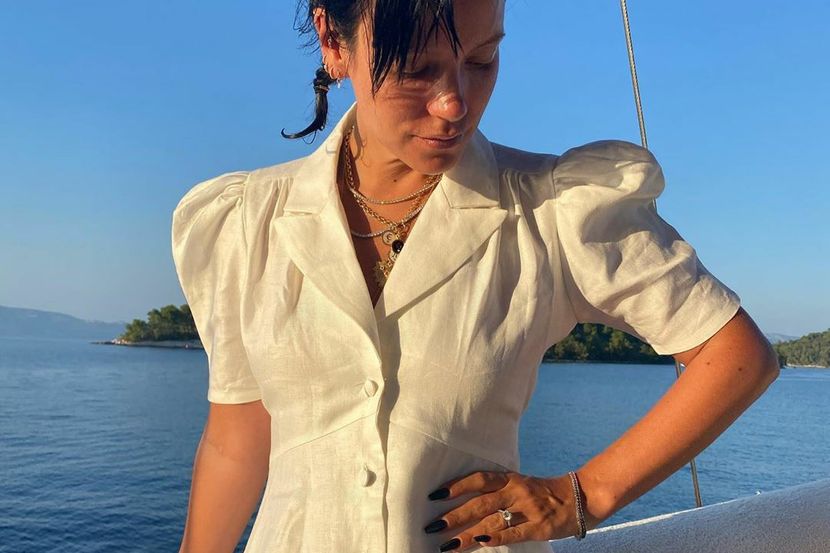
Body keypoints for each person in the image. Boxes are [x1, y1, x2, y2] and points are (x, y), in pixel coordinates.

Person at [171, 1, 780, 552]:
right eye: (416, 69)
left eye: (482, 60)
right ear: (333, 41)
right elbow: (236, 440)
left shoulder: (552, 210)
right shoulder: (246, 223)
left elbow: (736, 355)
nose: (454, 104)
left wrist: (583, 495)